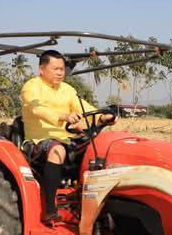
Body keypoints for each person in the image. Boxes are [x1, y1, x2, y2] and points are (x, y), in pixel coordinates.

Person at [21, 50, 115, 223]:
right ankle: (50, 209)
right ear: (42, 69)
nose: (60, 73)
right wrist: (63, 116)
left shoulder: (67, 89)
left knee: (101, 146)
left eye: (62, 69)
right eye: (55, 69)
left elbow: (84, 107)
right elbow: (37, 109)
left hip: (66, 138)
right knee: (57, 150)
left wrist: (102, 117)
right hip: (38, 140)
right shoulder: (31, 87)